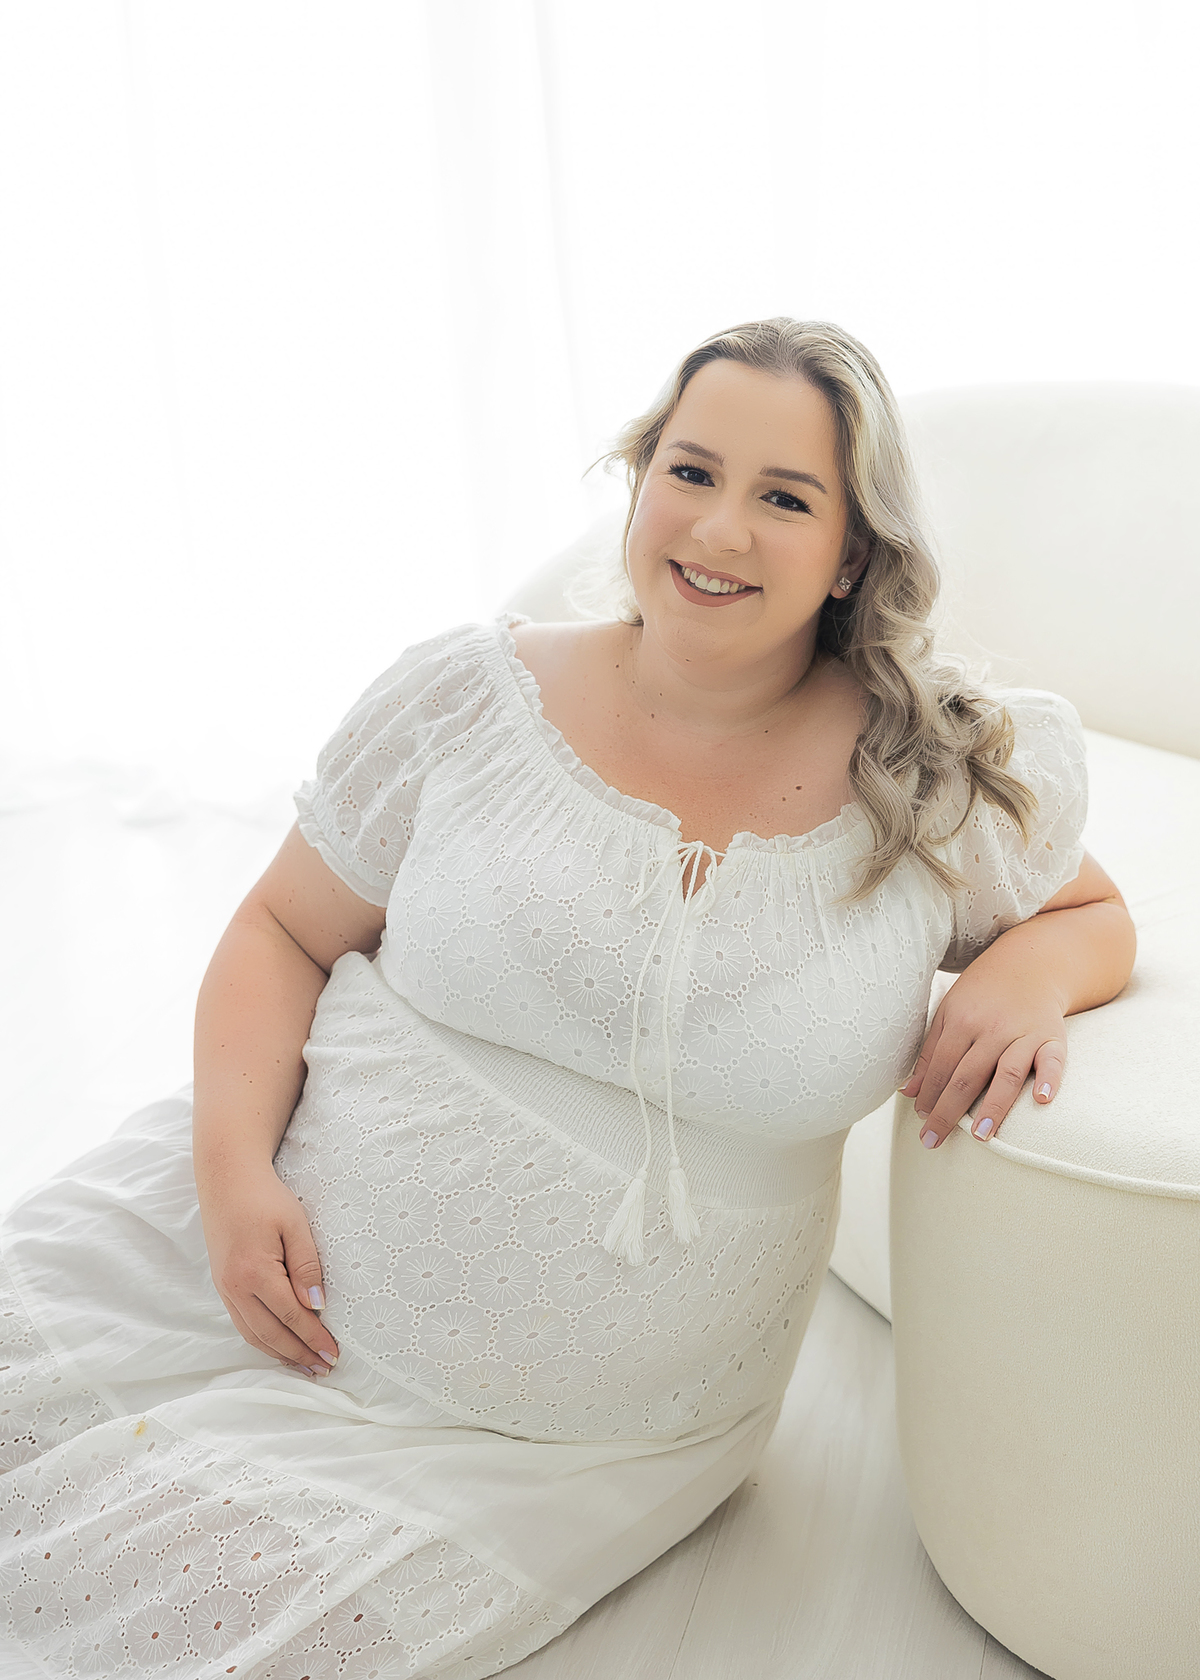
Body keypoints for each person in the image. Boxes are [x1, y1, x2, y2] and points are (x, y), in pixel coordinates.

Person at [0, 317, 1136, 1680]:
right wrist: (234, 1177)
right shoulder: (469, 698)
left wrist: (1031, 970)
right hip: (227, 1257)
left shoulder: (928, 777)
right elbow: (281, 930)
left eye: (785, 498)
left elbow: (1092, 912)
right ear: (641, 483)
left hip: (572, 1443)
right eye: (691, 471)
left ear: (852, 552)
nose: (719, 529)